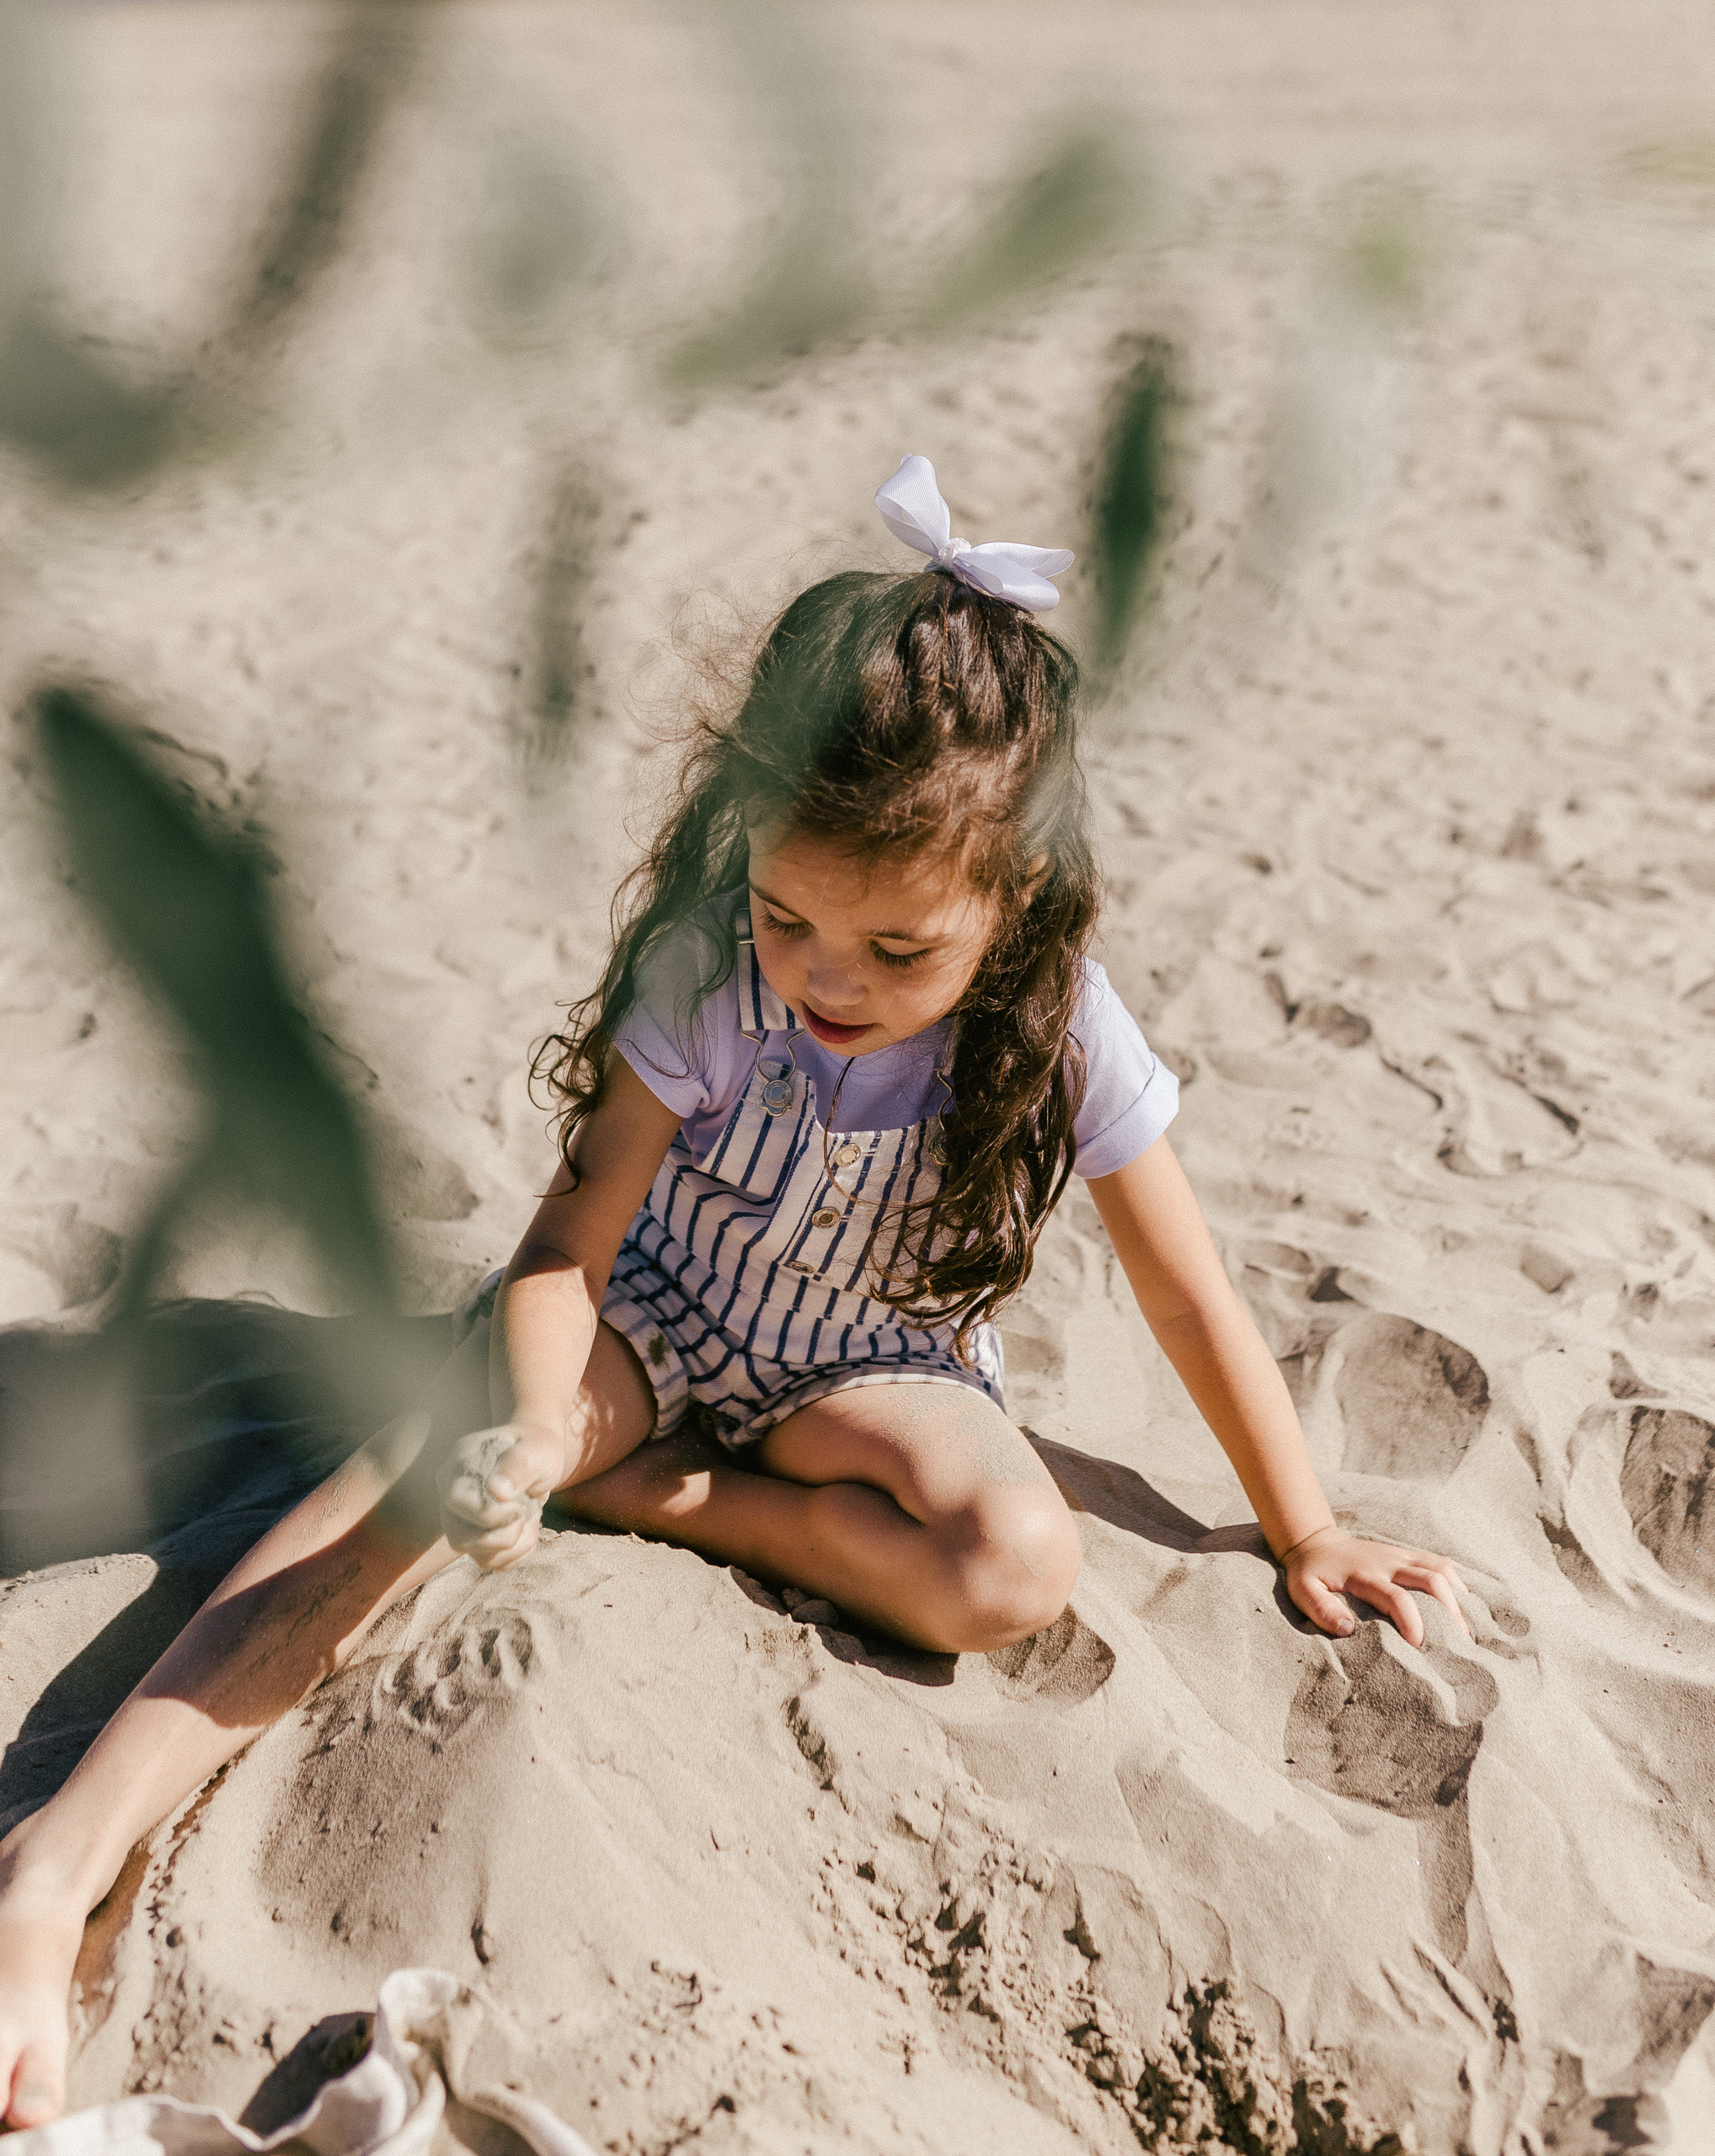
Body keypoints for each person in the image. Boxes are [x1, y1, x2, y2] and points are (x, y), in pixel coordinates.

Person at [0, 456, 1465, 2126]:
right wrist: (541, 1418)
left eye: (899, 948)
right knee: (412, 1475)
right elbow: (568, 1239)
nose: (832, 977)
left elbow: (1186, 1287)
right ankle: (53, 1864)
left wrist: (1304, 1525)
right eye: (791, 918)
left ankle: (665, 1495)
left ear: (1019, 892)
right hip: (651, 1312)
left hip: (873, 1358)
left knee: (1017, 1561)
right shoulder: (705, 967)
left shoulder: (1062, 1024)